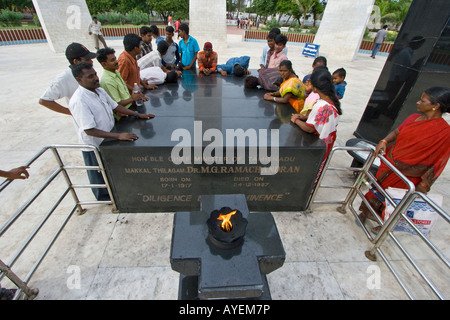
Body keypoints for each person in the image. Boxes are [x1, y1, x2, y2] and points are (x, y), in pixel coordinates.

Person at [358, 87, 450, 233]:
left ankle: (384, 224)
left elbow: (439, 162)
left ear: (436, 105)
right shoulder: (413, 118)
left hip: (407, 177)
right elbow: (396, 132)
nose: (418, 102)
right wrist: (384, 141)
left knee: (394, 201)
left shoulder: (445, 133)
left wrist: (425, 183)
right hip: (388, 166)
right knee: (375, 192)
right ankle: (365, 213)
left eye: (423, 100)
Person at [69, 62, 155, 201]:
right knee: (97, 173)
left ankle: (116, 192)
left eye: (95, 74)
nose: (96, 78)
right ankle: (105, 199)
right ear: (79, 79)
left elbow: (116, 107)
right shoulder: (79, 100)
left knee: (109, 169)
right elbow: (89, 130)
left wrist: (137, 115)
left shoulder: (99, 91)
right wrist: (118, 135)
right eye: (90, 76)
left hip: (108, 136)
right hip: (94, 143)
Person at [290, 67, 342, 159]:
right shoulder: (330, 99)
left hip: (318, 145)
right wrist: (305, 117)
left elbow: (310, 129)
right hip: (327, 142)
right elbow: (320, 119)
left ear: (315, 86)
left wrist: (296, 120)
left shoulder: (321, 105)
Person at [39, 43, 98, 115]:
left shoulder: (90, 72)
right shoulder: (64, 78)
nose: (91, 62)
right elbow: (44, 100)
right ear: (76, 61)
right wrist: (72, 112)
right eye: (87, 59)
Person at [97, 47, 148, 118]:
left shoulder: (116, 73)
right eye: (112, 60)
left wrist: (136, 93)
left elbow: (124, 85)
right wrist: (133, 98)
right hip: (123, 116)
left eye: (115, 58)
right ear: (104, 64)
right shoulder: (107, 81)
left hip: (131, 108)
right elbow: (117, 104)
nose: (116, 61)